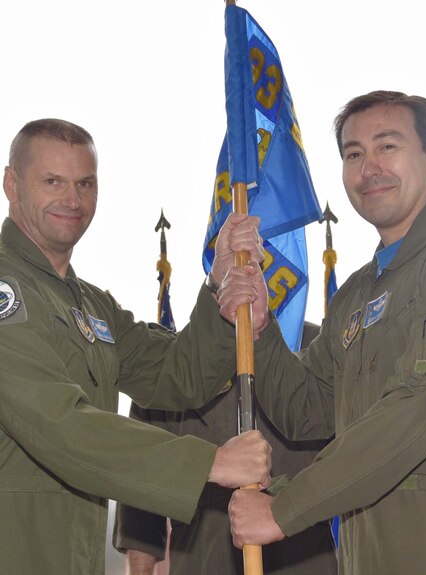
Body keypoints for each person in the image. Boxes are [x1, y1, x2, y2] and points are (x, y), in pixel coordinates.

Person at [0, 118, 272, 575]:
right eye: (53, 181)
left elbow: (177, 376)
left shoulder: (90, 303)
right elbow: (61, 424)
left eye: (85, 183)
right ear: (11, 184)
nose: (72, 200)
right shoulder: (7, 294)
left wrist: (219, 285)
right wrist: (211, 462)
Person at [219, 90, 426, 575]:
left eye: (387, 146)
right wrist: (262, 329)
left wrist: (285, 508)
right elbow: (307, 410)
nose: (369, 168)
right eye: (353, 154)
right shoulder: (358, 293)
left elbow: (414, 409)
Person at [113, 322, 337, 575]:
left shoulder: (321, 347)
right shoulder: (177, 359)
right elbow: (142, 505)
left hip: (306, 561)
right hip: (203, 562)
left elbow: (354, 468)